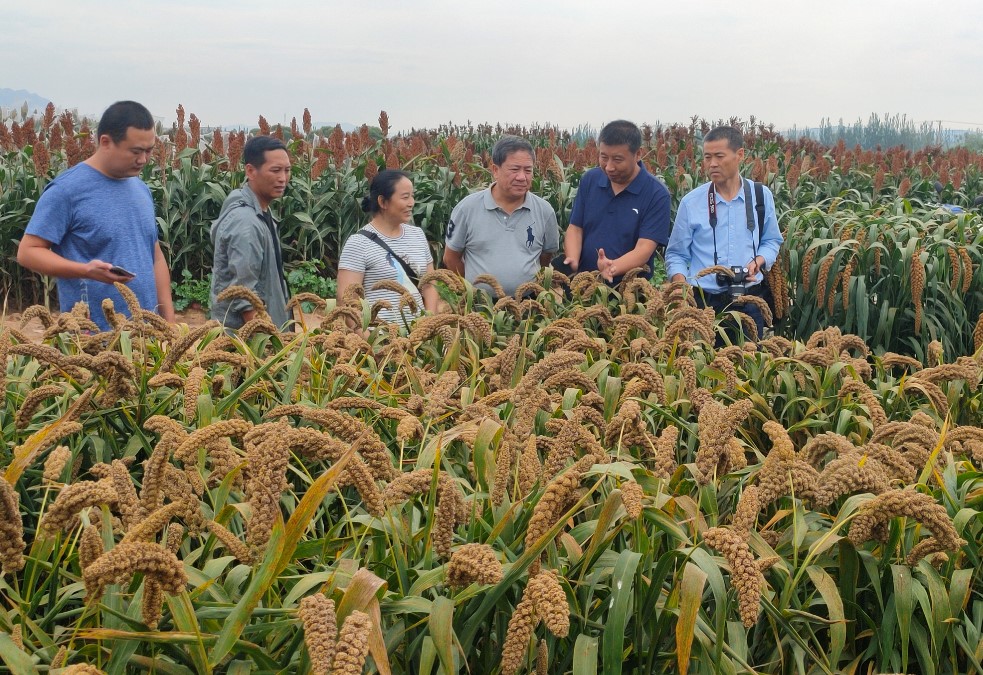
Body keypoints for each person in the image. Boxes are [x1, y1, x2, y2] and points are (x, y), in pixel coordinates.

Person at [17, 100, 175, 330]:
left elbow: (155, 256)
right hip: (92, 338)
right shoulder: (66, 191)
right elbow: (28, 252)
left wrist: (168, 323)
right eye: (136, 151)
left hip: (146, 334)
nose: (143, 159)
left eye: (149, 151)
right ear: (106, 142)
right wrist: (86, 271)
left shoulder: (141, 189)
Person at [665, 125, 783, 338]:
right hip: (703, 303)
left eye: (719, 156)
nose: (712, 164)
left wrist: (758, 261)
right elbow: (676, 255)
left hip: (749, 301)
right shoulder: (691, 203)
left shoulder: (760, 196)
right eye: (707, 157)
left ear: (740, 155)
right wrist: (682, 293)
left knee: (749, 357)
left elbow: (772, 240)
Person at [443, 136, 559, 297]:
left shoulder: (545, 211)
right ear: (495, 170)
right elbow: (451, 257)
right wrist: (470, 291)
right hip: (481, 305)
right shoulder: (466, 209)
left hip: (529, 304)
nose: (522, 177)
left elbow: (546, 257)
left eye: (528, 170)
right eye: (514, 169)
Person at [562, 120, 671, 285]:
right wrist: (572, 259)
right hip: (582, 286)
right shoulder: (590, 180)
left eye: (617, 159)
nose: (609, 167)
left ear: (638, 154)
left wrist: (611, 267)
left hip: (629, 291)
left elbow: (644, 248)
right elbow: (576, 228)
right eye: (604, 157)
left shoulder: (656, 194)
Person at [210, 135, 292, 329]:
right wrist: (268, 339)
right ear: (250, 171)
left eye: (287, 170)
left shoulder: (260, 213)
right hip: (247, 339)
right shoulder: (246, 222)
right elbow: (244, 295)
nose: (283, 178)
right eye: (275, 170)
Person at [337, 170, 437, 324]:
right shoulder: (358, 243)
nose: (411, 203)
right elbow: (347, 300)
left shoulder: (417, 235)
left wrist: (429, 323)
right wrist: (367, 337)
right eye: (405, 197)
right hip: (380, 335)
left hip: (419, 334)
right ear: (383, 202)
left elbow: (430, 285)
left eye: (412, 196)